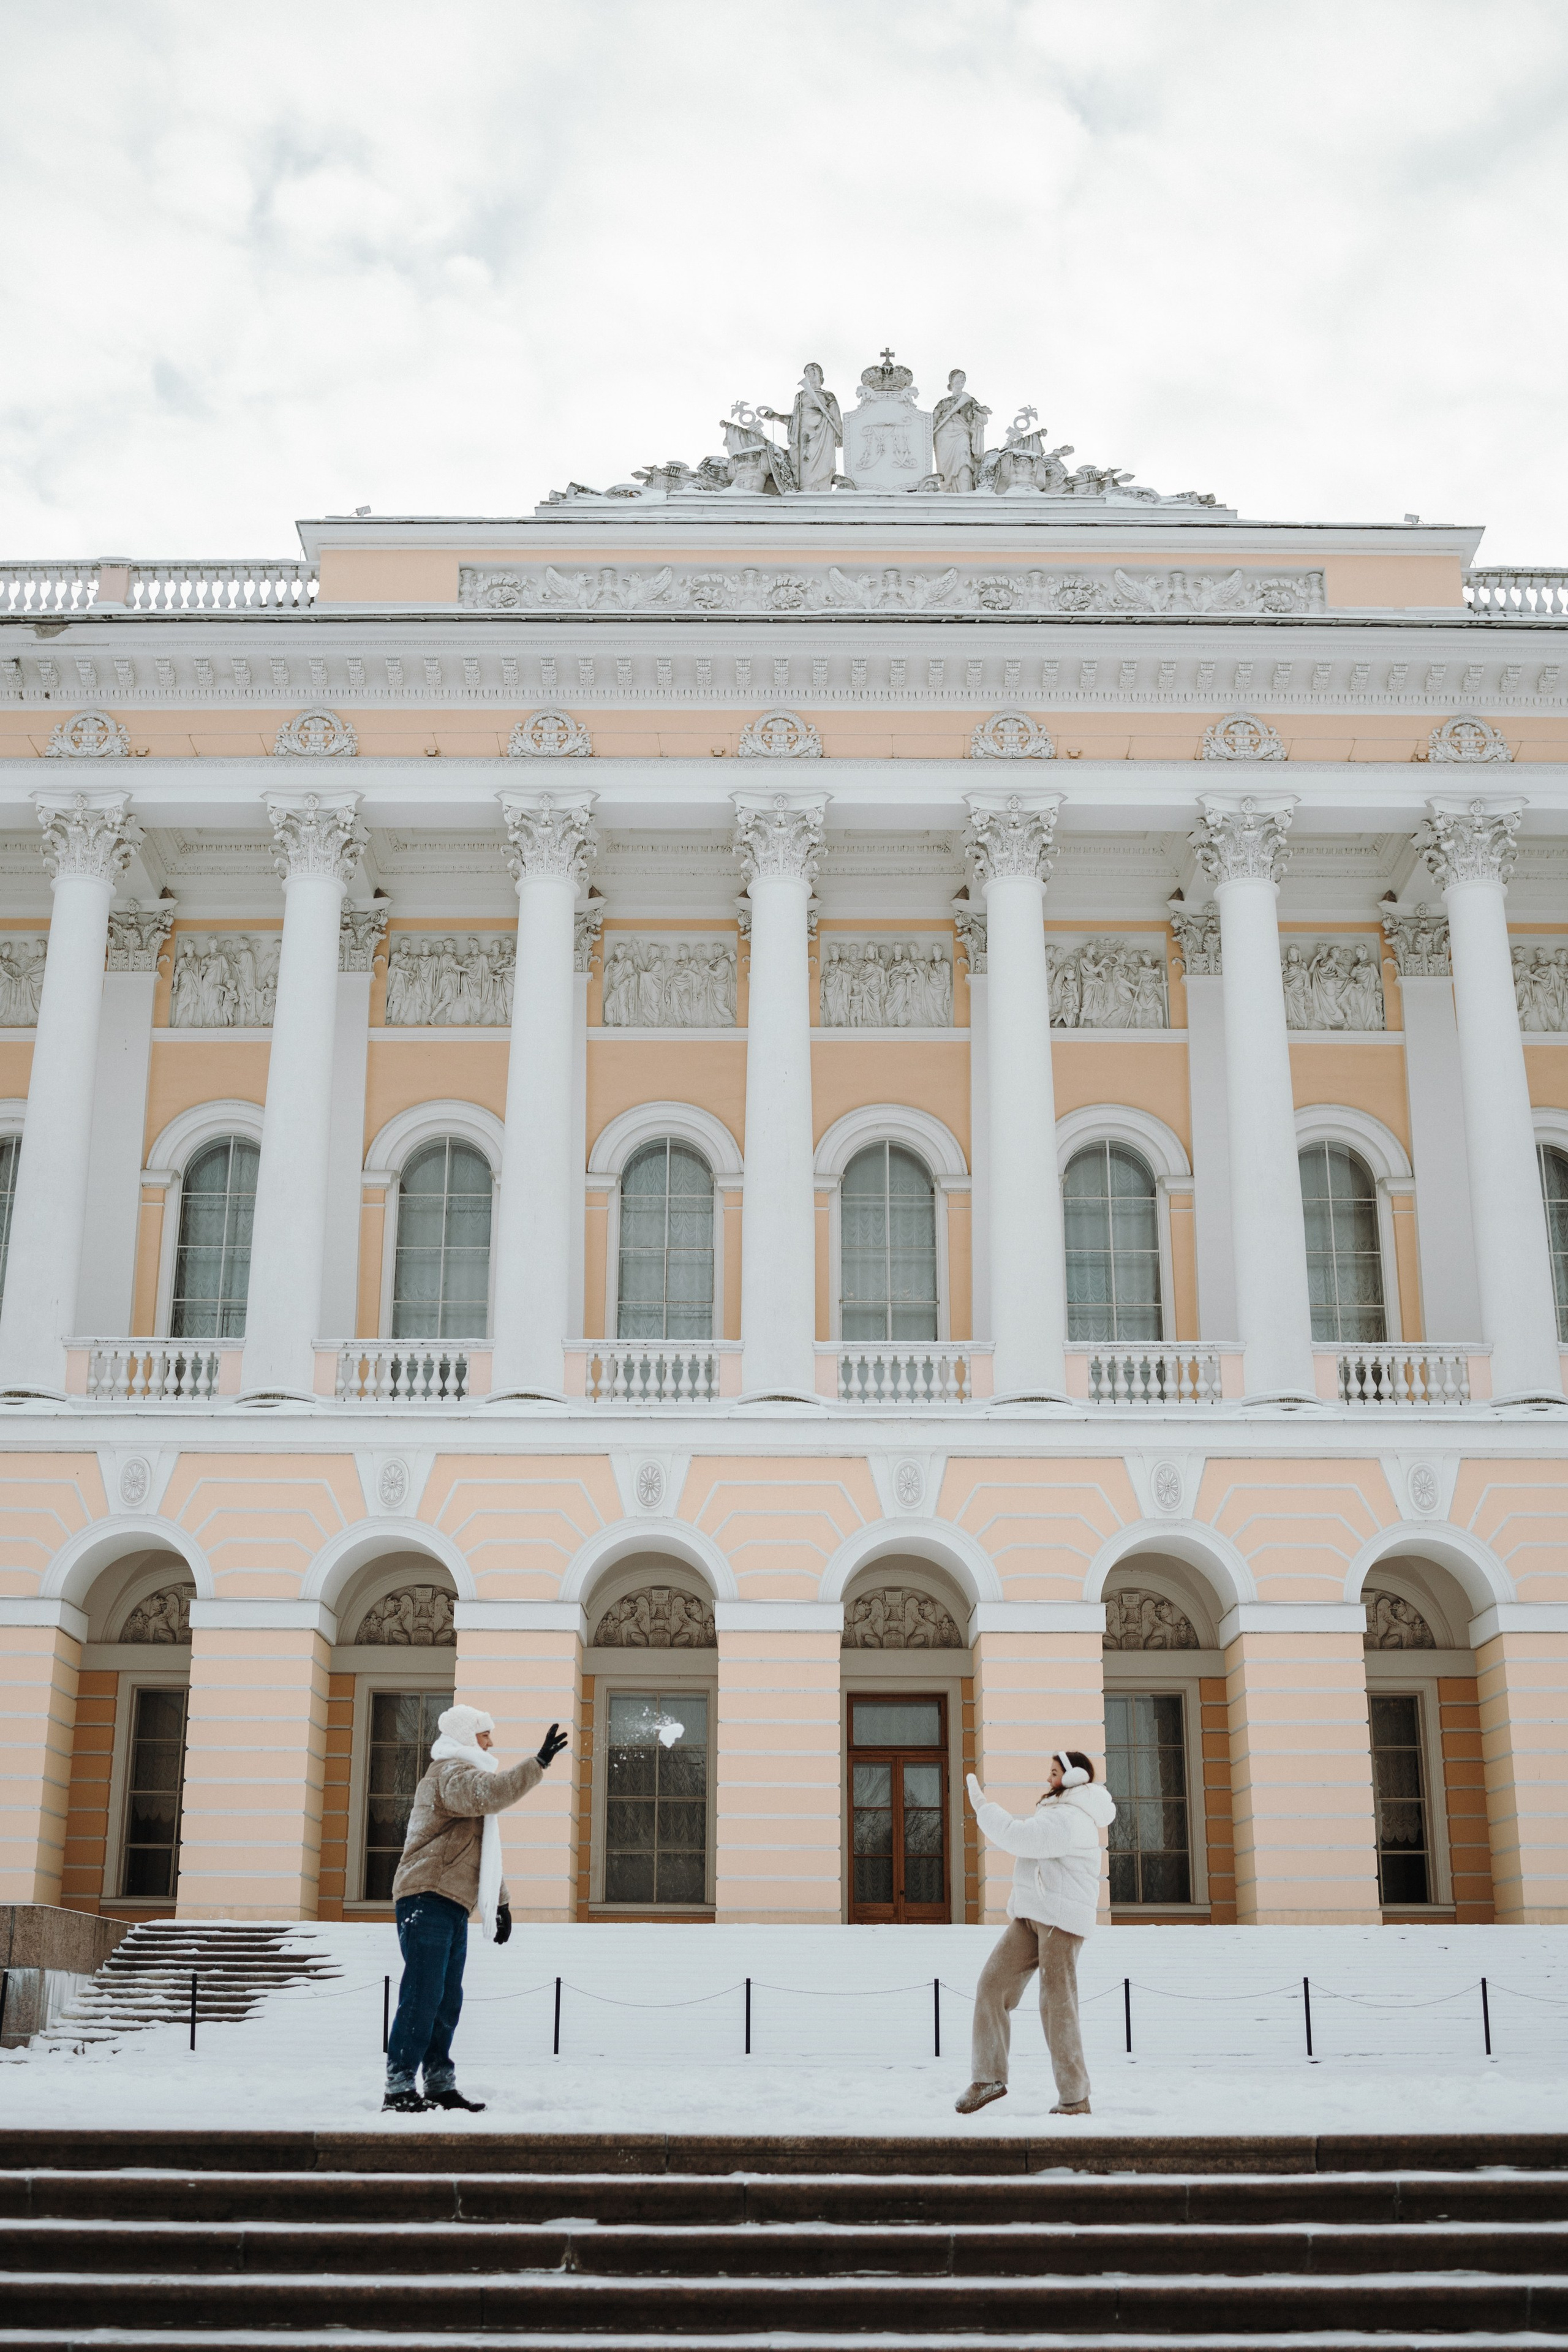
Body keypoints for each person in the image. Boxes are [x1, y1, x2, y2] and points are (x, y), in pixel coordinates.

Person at [382, 1702, 569, 2114]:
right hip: (425, 1895)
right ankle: (398, 2087)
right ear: (466, 1737)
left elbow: (480, 1851)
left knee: (447, 1997)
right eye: (485, 1733)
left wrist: (500, 1904)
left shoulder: (462, 1777)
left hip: (451, 1901)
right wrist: (537, 1764)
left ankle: (438, 2083)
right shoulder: (449, 1774)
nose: (491, 1740)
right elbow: (493, 1793)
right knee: (423, 1993)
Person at [956, 1749, 1117, 2117]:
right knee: (992, 1985)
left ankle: (1075, 2098)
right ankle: (988, 2078)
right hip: (1032, 1914)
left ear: (1074, 1778)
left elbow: (1019, 1838)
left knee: (1056, 2007)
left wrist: (984, 1808)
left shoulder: (1071, 1820)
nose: (1048, 1778)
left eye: (1055, 1772)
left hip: (1061, 1921)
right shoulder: (1058, 1813)